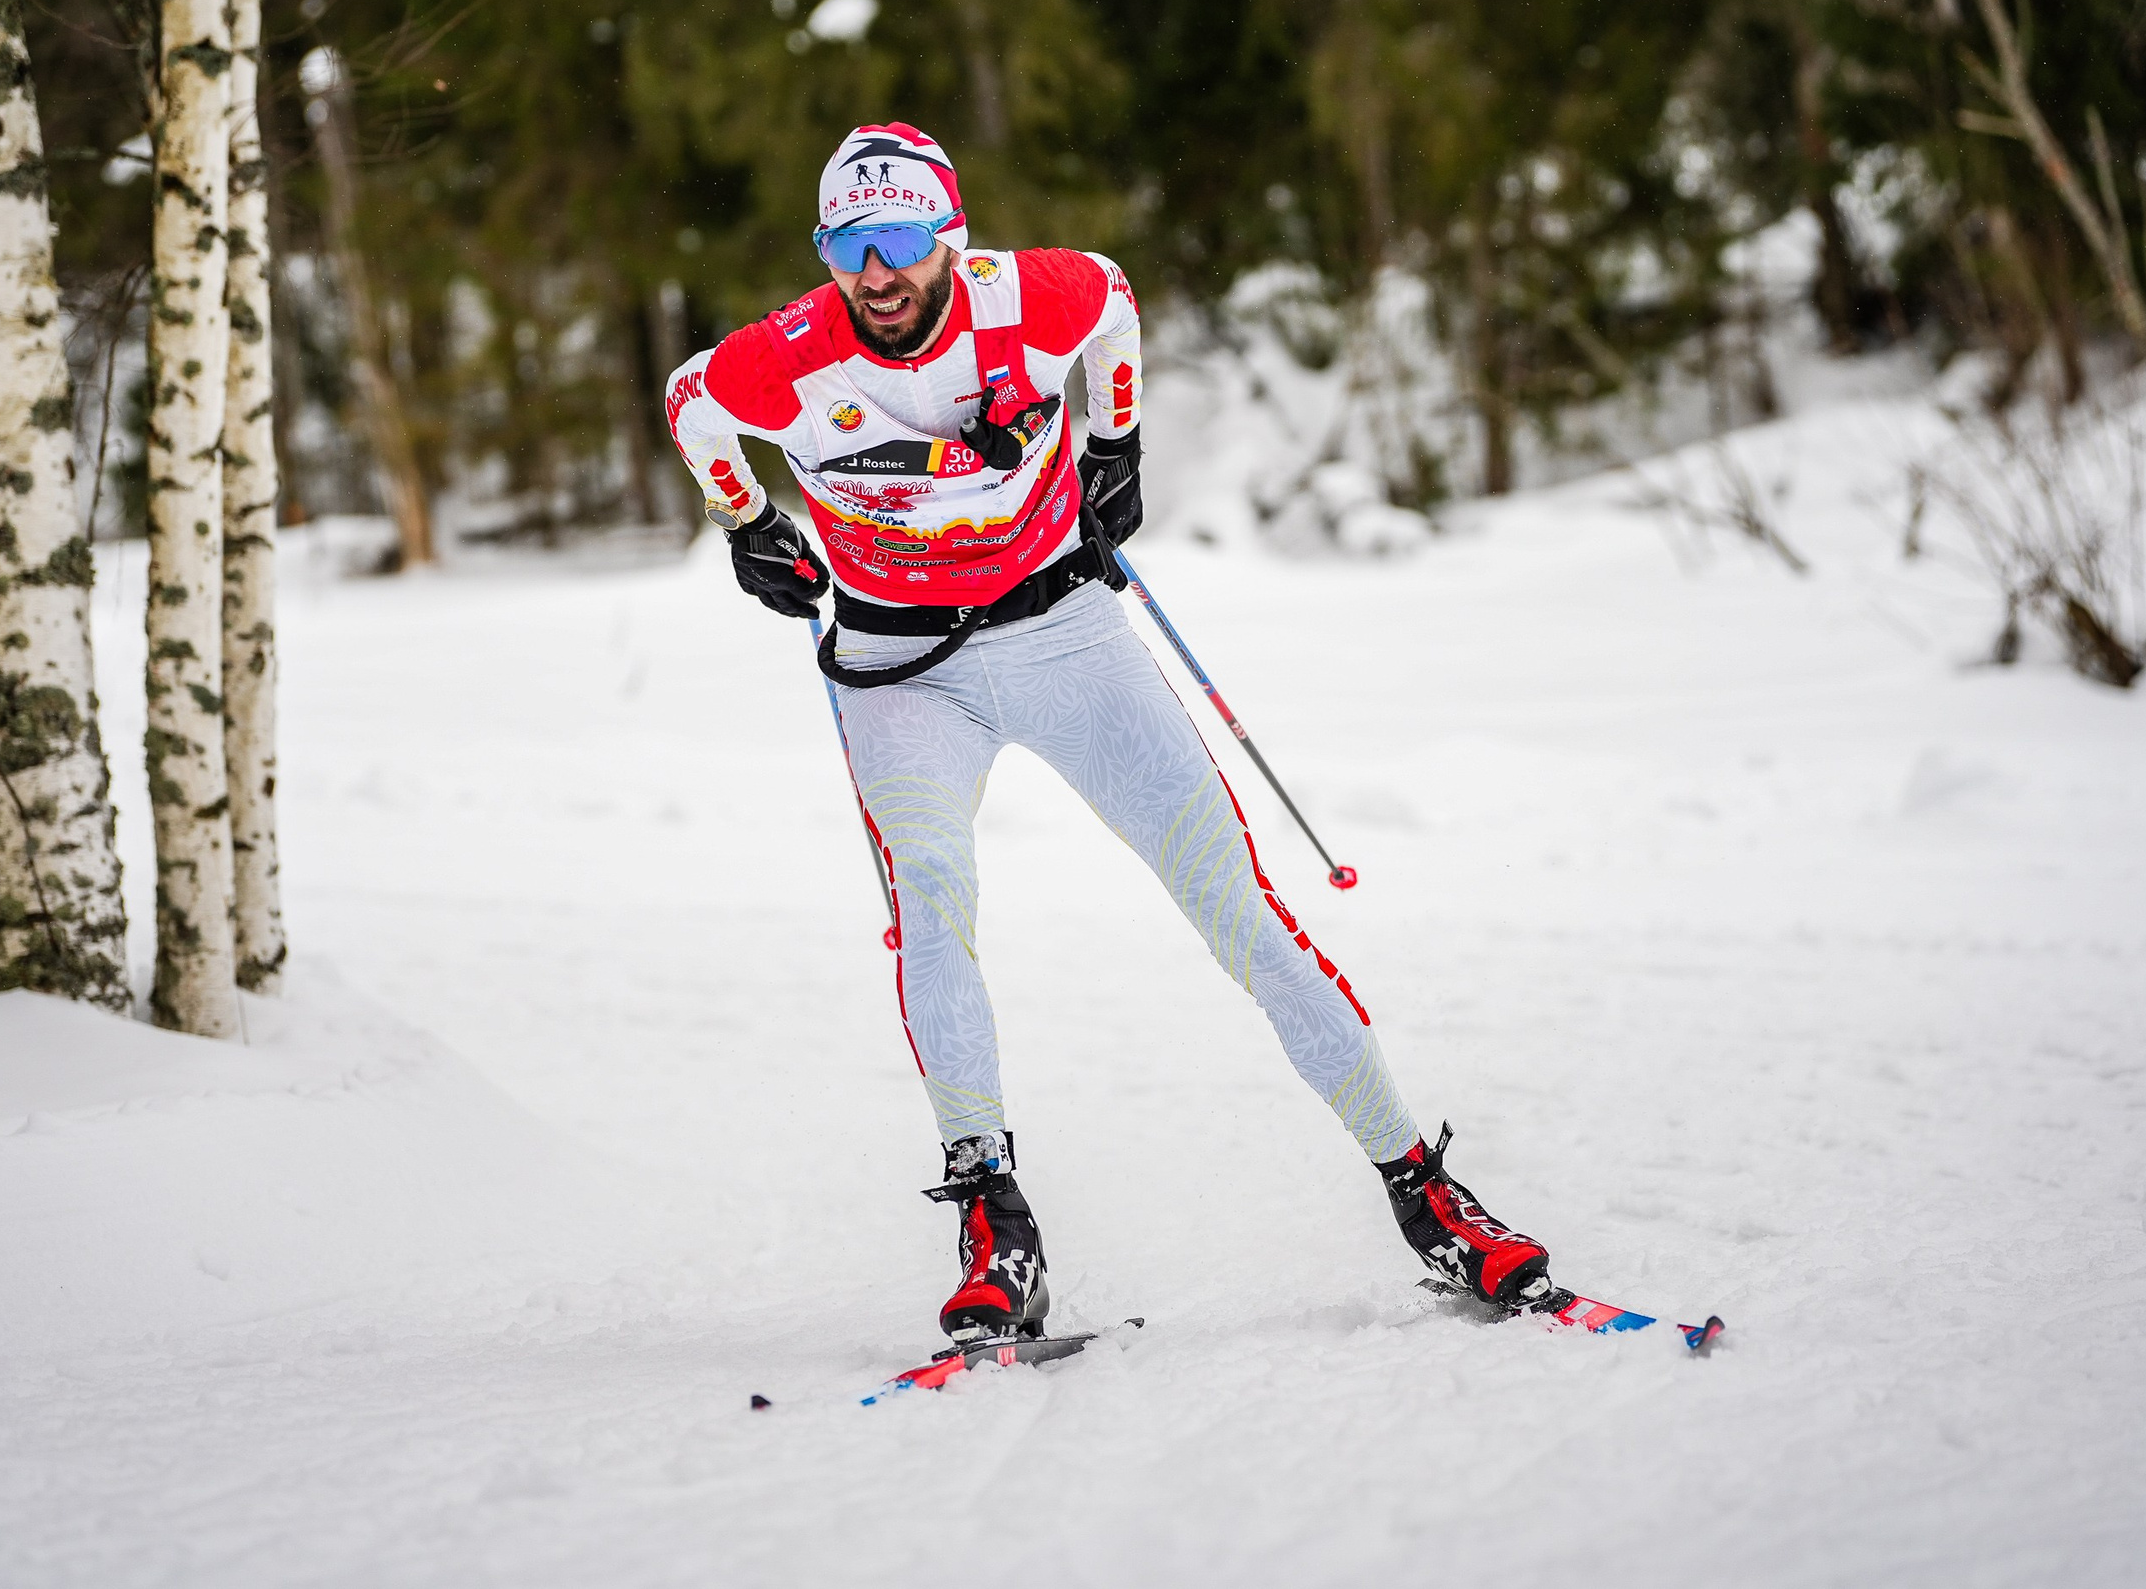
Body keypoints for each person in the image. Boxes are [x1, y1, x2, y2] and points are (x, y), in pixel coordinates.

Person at [665, 123, 1558, 1344]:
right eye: (847, 244)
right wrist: (743, 520)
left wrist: (1114, 441)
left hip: (1065, 639)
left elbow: (1116, 307)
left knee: (1236, 910)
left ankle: (1427, 1194)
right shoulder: (787, 357)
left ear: (949, 239)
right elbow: (690, 401)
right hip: (896, 668)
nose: (875, 271)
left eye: (901, 239)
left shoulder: (1034, 299)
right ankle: (993, 1221)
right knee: (930, 901)